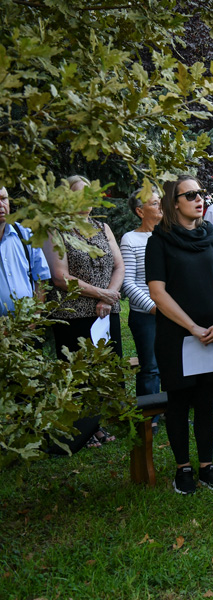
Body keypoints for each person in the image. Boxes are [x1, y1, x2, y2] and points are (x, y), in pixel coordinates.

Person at [146, 176, 213, 495]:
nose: (199, 199)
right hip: (177, 337)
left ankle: (207, 466)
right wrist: (192, 328)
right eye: (191, 194)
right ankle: (183, 468)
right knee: (179, 403)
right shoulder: (160, 240)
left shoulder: (212, 237)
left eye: (201, 193)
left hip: (212, 334)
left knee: (206, 402)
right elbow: (158, 292)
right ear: (174, 202)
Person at [43, 175, 124, 447]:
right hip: (73, 313)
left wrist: (109, 298)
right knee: (78, 374)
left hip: (105, 311)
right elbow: (60, 277)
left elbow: (119, 266)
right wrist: (100, 293)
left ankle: (99, 424)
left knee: (105, 369)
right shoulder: (55, 229)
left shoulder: (102, 227)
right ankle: (83, 430)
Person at [121, 187, 162, 397]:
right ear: (140, 211)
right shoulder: (131, 239)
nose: (160, 206)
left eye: (160, 201)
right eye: (154, 203)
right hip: (146, 315)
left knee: (172, 365)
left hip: (174, 312)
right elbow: (128, 283)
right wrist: (153, 308)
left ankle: (170, 411)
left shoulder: (171, 236)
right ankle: (150, 419)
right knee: (150, 367)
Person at [0, 185, 51, 316]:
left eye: (4, 199)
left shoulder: (25, 235)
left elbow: (41, 279)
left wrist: (33, 320)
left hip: (24, 328)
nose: (1, 205)